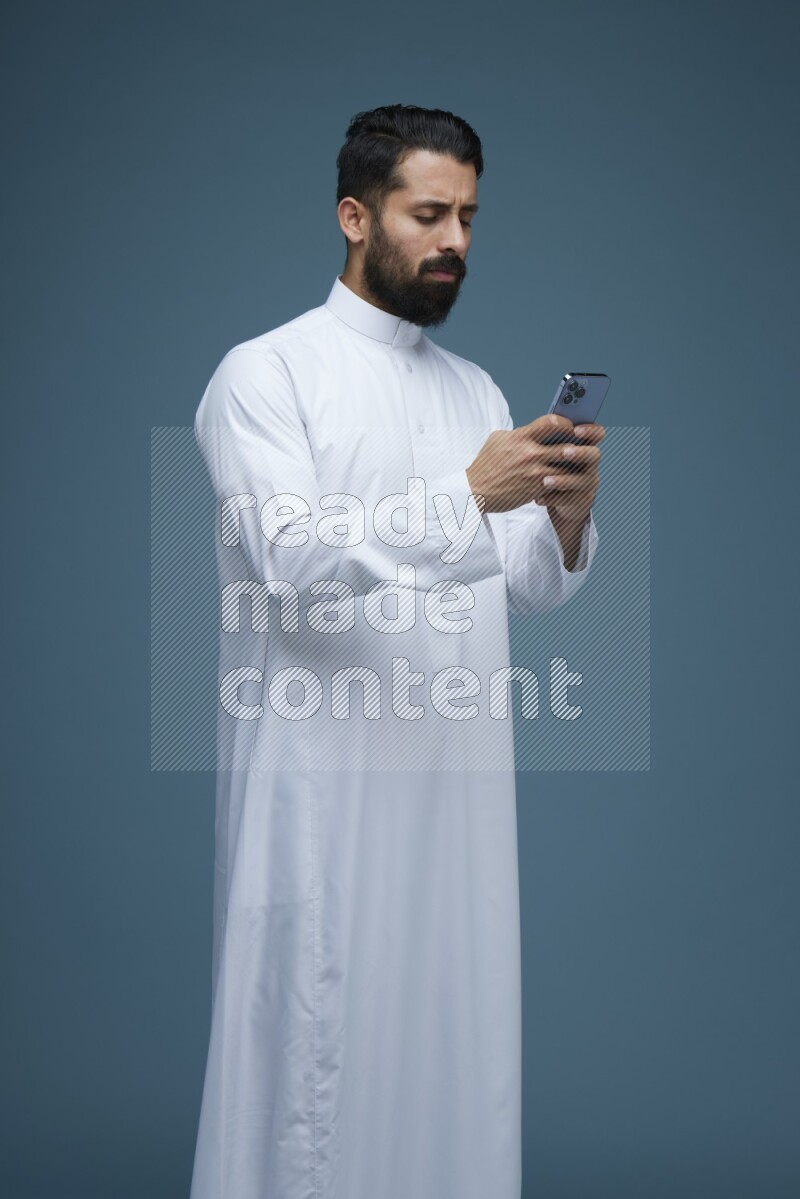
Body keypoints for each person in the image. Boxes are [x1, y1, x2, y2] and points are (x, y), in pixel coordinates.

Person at [189, 103, 603, 1199]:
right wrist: (471, 490)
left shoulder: (471, 391)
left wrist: (562, 514)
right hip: (322, 794)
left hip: (455, 805)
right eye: (428, 213)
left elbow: (522, 582)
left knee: (453, 1056)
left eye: (468, 215)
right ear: (353, 215)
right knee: (311, 1061)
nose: (454, 238)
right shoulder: (265, 376)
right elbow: (290, 560)